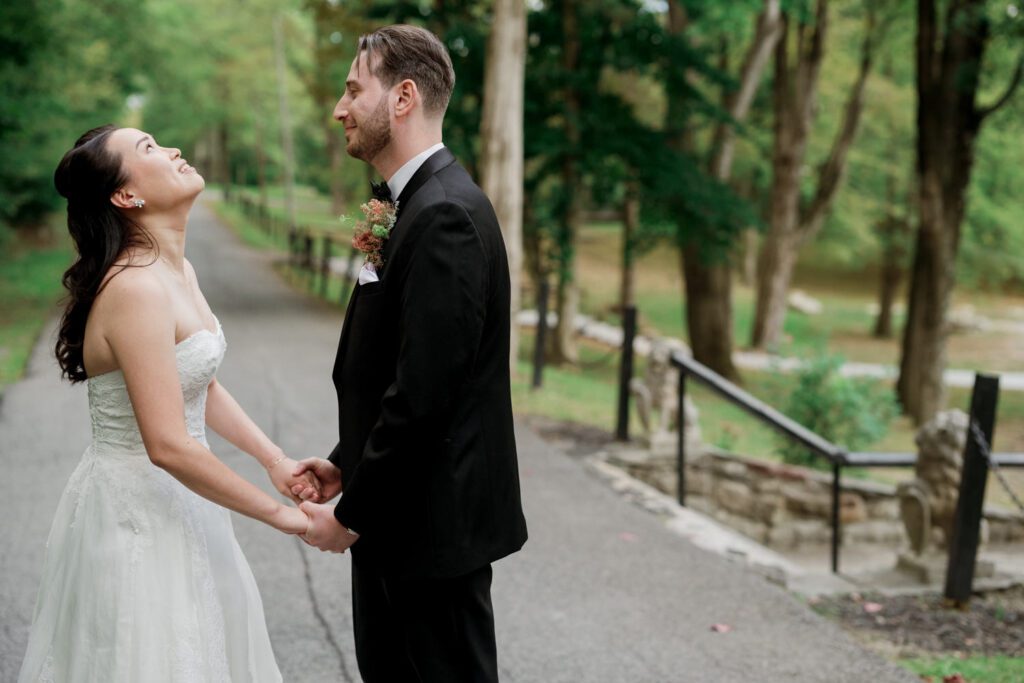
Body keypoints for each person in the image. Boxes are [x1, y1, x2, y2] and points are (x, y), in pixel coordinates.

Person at [18, 125, 319, 682]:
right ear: (126, 195)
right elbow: (167, 445)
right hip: (135, 515)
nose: (173, 150)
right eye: (149, 149)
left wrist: (274, 460)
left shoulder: (179, 270)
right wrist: (287, 519)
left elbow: (199, 383)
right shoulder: (135, 288)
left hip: (187, 501)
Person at [291, 24, 528, 682]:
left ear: (402, 98)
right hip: (398, 517)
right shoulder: (410, 204)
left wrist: (350, 515)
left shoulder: (444, 214)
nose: (339, 108)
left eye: (352, 90)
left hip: (430, 532)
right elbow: (399, 369)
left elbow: (426, 395)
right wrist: (347, 464)